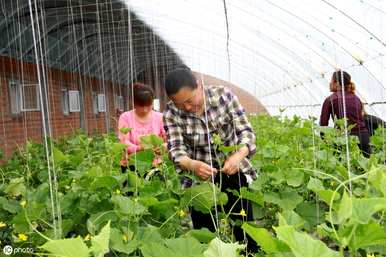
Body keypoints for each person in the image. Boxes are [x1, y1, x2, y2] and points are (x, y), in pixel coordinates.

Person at [163, 66, 258, 252]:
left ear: (199, 85)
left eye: (190, 100)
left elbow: (247, 134)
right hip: (199, 179)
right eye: (181, 104)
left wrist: (237, 156)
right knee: (205, 234)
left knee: (244, 228)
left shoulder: (224, 97)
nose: (187, 107)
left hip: (233, 171)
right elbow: (175, 150)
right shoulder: (171, 113)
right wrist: (192, 164)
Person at [320, 70, 370, 157]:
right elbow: (362, 118)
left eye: (331, 81)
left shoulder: (330, 99)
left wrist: (326, 141)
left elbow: (323, 125)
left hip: (344, 139)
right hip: (363, 137)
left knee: (344, 167)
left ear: (337, 83)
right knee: (366, 167)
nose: (329, 83)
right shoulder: (356, 98)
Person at [118, 83, 166, 173]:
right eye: (141, 106)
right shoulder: (125, 117)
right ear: (133, 103)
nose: (145, 109)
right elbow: (124, 142)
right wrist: (141, 148)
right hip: (131, 163)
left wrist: (162, 147)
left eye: (148, 105)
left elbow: (168, 139)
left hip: (155, 164)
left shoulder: (160, 117)